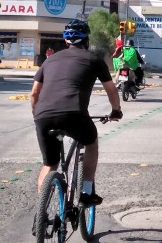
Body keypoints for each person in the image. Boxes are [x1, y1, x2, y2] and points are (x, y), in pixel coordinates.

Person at [30, 19, 122, 206]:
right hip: (74, 114)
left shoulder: (50, 60)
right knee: (91, 142)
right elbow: (111, 89)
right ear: (86, 41)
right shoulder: (94, 59)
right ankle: (86, 191)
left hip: (43, 116)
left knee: (50, 164)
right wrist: (116, 111)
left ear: (66, 42)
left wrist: (38, 116)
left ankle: (41, 209)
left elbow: (34, 94)